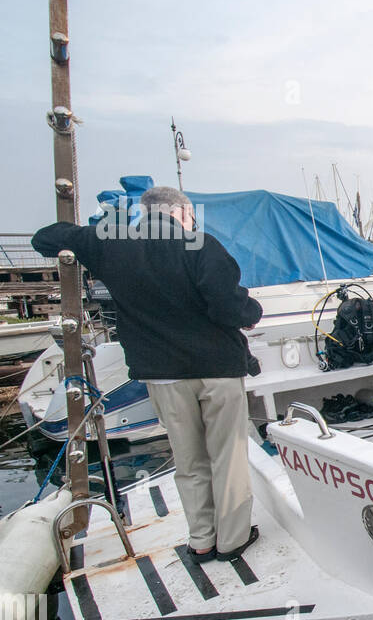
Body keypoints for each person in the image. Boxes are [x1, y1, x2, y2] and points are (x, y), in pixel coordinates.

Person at [31, 186, 263, 562]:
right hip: (216, 369)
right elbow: (228, 307)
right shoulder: (199, 245)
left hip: (162, 375)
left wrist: (105, 232)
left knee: (188, 459)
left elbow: (45, 238)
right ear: (182, 213)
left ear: (146, 213)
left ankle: (201, 541)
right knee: (227, 457)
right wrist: (251, 314)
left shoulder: (114, 245)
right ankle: (232, 540)